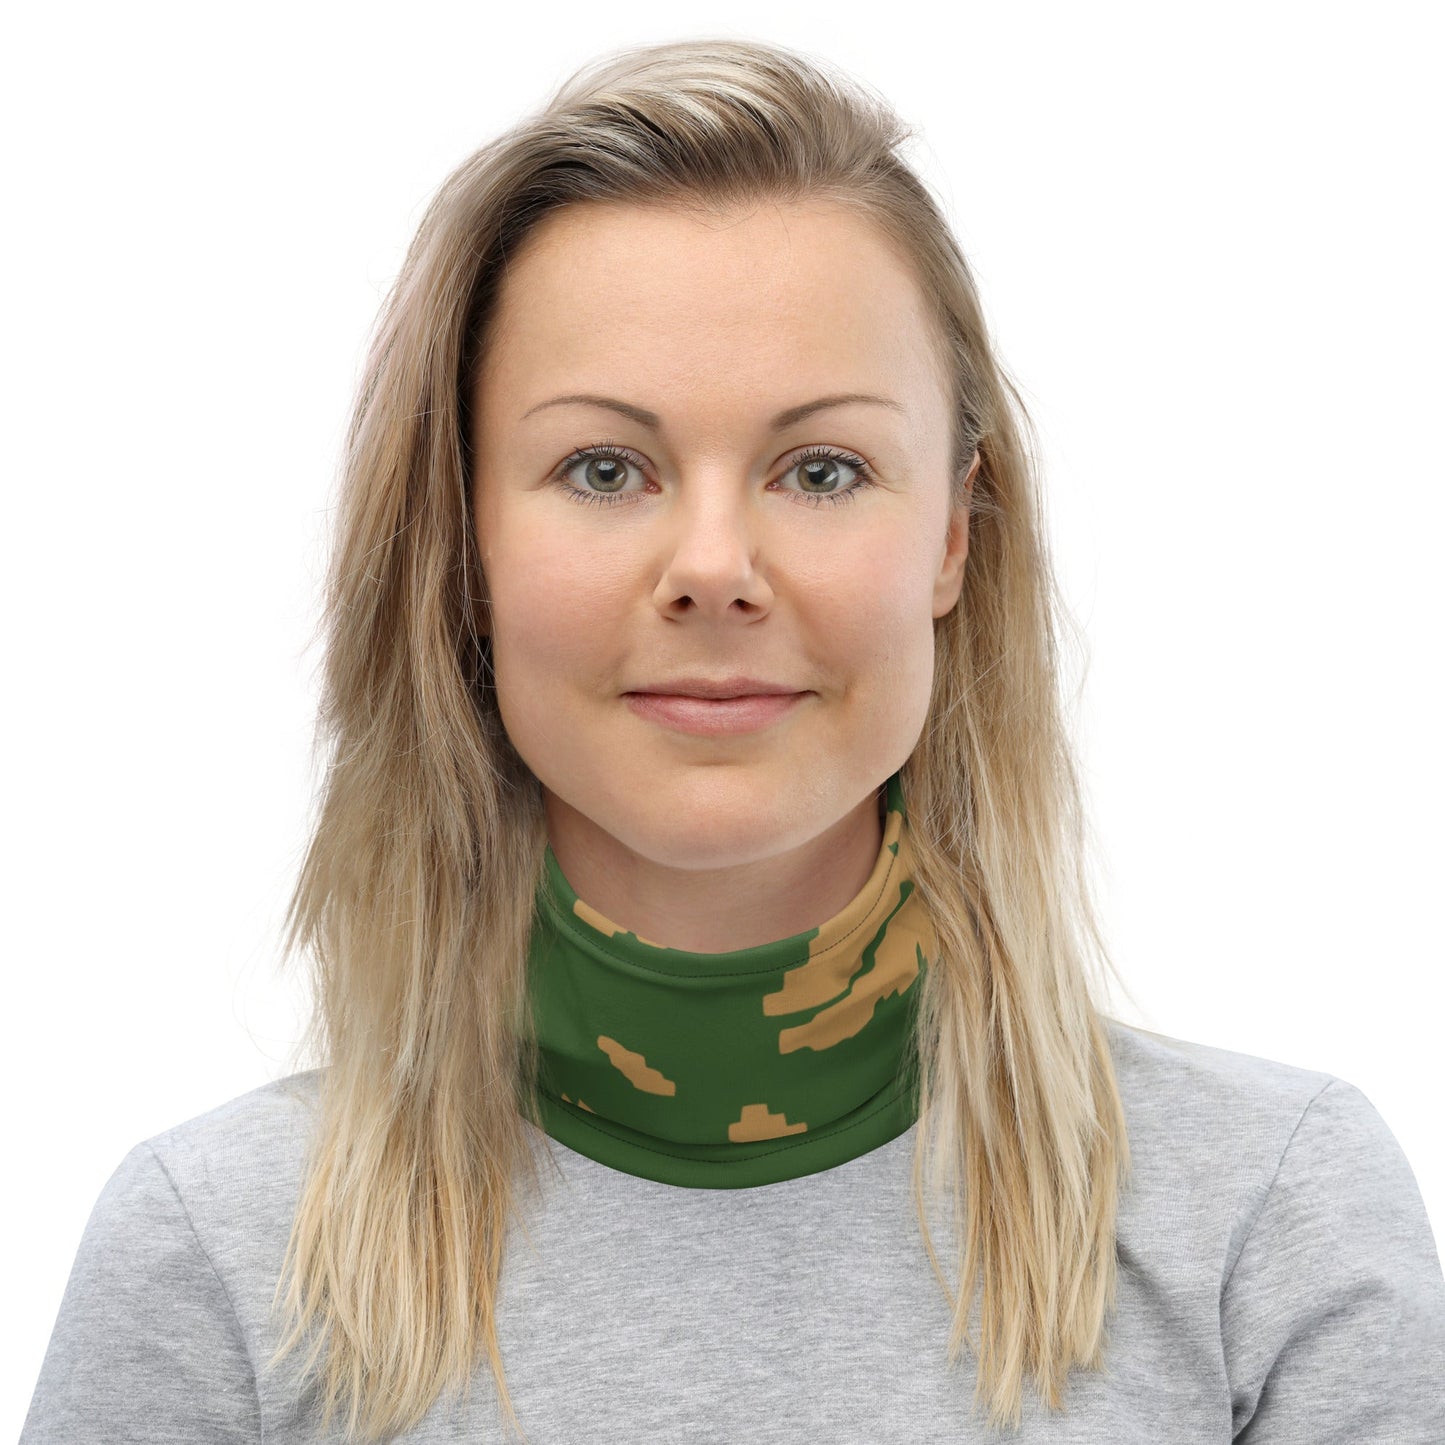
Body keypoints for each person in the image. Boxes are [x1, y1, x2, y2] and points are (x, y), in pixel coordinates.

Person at [20, 35, 1445, 1445]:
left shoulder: (1270, 1233)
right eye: (603, 468)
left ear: (954, 535)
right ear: (463, 540)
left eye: (820, 469)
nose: (713, 567)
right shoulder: (214, 1264)